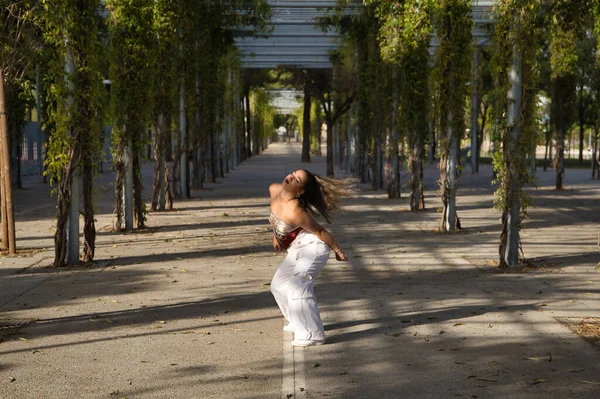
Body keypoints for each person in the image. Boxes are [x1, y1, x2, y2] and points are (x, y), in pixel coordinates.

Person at [268, 169, 353, 347]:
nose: (290, 176)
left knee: (297, 284)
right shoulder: (274, 189)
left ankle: (311, 334)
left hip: (314, 247)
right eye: (292, 173)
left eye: (297, 179)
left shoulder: (295, 209)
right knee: (278, 285)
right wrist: (276, 236)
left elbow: (320, 231)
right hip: (298, 246)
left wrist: (338, 251)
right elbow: (277, 219)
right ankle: (297, 320)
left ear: (300, 191)